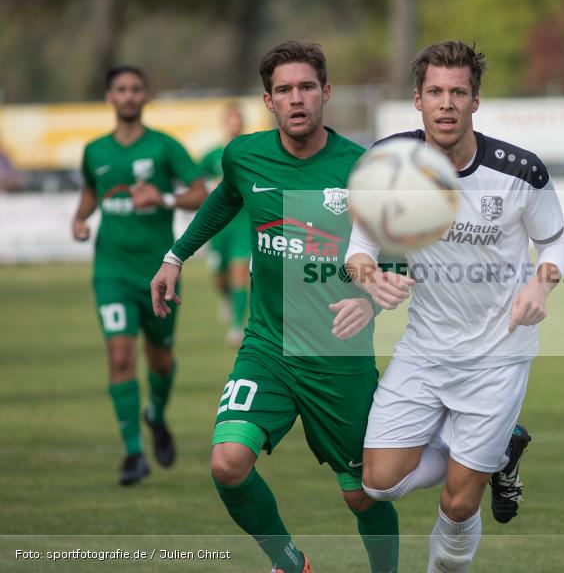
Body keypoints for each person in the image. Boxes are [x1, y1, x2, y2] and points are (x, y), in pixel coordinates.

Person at [149, 41, 398, 573]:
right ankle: (289, 563)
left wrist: (368, 304)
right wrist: (175, 256)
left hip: (338, 359)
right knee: (228, 463)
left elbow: (396, 261)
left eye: (307, 86)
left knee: (364, 494)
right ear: (268, 100)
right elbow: (224, 199)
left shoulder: (362, 168)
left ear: (326, 93)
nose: (296, 98)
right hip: (267, 348)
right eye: (284, 89)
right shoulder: (244, 155)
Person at [346, 40, 564, 572]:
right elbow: (360, 246)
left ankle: (480, 464)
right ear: (417, 100)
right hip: (424, 350)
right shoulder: (391, 161)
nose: (447, 103)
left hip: (498, 356)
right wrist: (369, 276)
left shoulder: (521, 172)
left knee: (459, 502)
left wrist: (540, 286)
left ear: (475, 101)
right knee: (377, 482)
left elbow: (554, 243)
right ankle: (493, 450)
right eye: (435, 92)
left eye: (458, 93)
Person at [70, 65, 207, 485]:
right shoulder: (95, 150)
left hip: (159, 272)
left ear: (145, 96)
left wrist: (163, 197)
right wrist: (79, 219)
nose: (128, 96)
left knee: (160, 359)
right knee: (120, 355)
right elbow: (93, 190)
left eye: (135, 89)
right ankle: (133, 453)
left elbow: (201, 192)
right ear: (109, 97)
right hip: (110, 271)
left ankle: (157, 416)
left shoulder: (165, 147)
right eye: (120, 90)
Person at [200, 103, 252, 346]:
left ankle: (236, 327)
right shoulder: (212, 155)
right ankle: (227, 298)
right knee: (218, 276)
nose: (234, 124)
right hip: (219, 226)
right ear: (225, 123)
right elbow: (195, 181)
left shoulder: (252, 152)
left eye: (237, 120)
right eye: (230, 120)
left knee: (240, 271)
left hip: (243, 223)